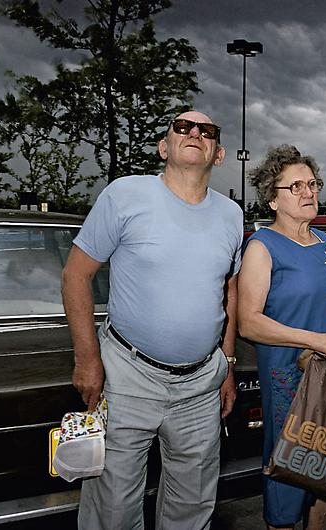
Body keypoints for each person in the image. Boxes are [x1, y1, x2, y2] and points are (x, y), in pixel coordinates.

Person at [61, 110, 242, 530]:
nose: (195, 133)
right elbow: (76, 275)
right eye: (182, 127)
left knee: (192, 509)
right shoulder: (125, 195)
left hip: (201, 386)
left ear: (218, 154)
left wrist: (228, 365)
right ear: (165, 147)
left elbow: (229, 291)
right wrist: (87, 361)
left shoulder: (231, 215)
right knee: (113, 512)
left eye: (207, 131)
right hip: (127, 378)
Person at [237, 144, 326, 530]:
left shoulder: (325, 241)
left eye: (312, 184)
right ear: (272, 199)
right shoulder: (263, 248)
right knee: (289, 470)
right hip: (288, 377)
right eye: (295, 187)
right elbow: (249, 323)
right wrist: (315, 340)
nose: (309, 192)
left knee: (323, 470)